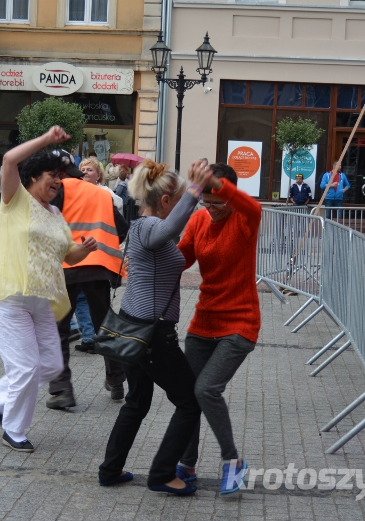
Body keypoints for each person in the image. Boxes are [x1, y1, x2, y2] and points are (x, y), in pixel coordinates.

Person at [97, 158, 214, 494]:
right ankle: (162, 474)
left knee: (137, 401)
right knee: (191, 402)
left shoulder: (141, 229)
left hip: (134, 330)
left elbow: (172, 238)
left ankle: (110, 470)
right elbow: (168, 229)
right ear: (166, 202)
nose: (184, 208)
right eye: (178, 201)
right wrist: (194, 190)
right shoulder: (150, 227)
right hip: (152, 335)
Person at [0, 126, 97, 453]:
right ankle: (14, 430)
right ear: (34, 176)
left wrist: (85, 250)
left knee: (50, 365)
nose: (58, 182)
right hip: (10, 296)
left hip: (43, 301)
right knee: (26, 367)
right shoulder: (14, 199)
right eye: (53, 175)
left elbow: (67, 253)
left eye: (61, 177)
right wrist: (48, 140)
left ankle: (1, 393)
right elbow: (8, 160)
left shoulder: (56, 214)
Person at [172, 163, 261, 495]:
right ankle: (187, 465)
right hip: (204, 321)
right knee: (187, 395)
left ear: (231, 196)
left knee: (206, 389)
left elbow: (251, 205)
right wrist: (149, 248)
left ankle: (232, 462)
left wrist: (215, 184)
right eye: (206, 203)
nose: (210, 210)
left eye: (217, 203)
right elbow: (181, 259)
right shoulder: (198, 220)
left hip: (240, 322)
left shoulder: (245, 218)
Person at [46, 157, 128, 408]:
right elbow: (122, 229)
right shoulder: (102, 194)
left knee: (59, 327)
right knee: (105, 323)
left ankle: (62, 390)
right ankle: (116, 381)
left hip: (67, 266)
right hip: (99, 266)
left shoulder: (59, 190)